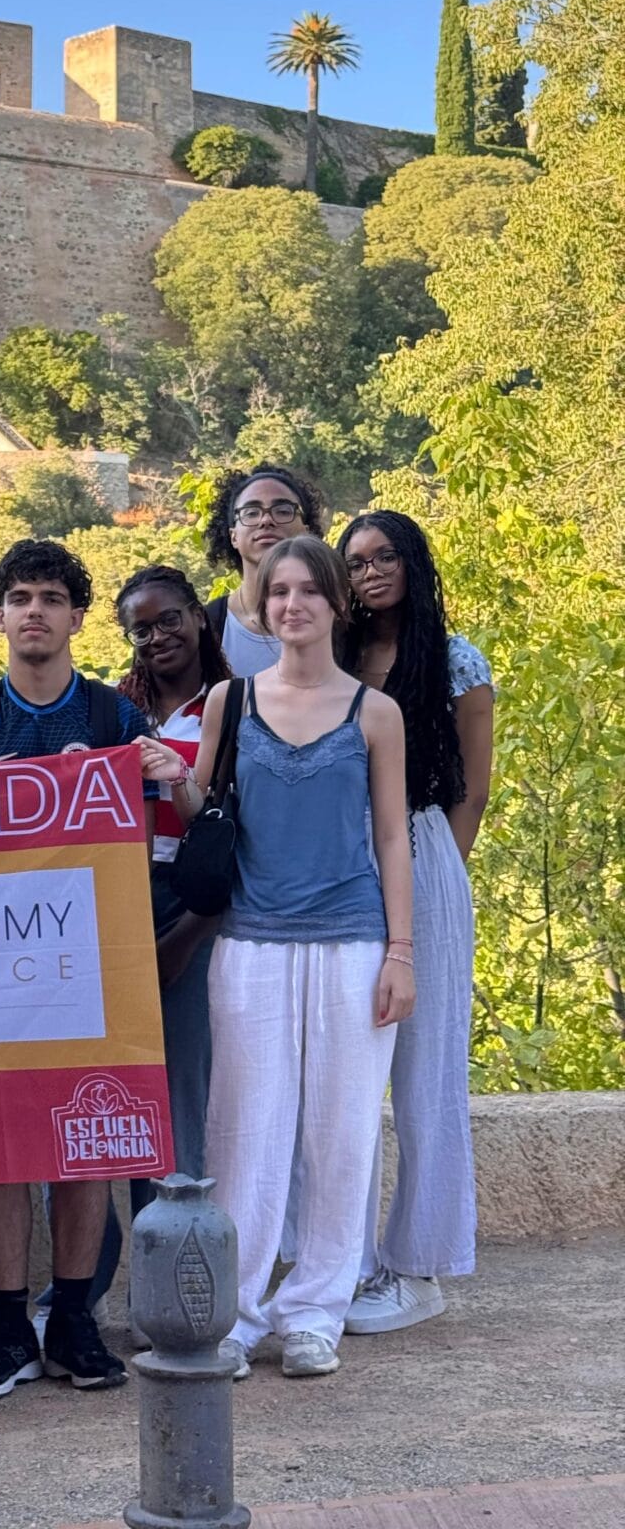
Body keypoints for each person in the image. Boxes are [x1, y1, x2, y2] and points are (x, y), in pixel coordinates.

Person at [141, 534, 416, 1380]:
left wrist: (401, 951)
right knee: (244, 1134)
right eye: (279, 591)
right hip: (253, 944)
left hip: (350, 941)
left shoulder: (376, 712)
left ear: (337, 603)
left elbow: (391, 836)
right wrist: (170, 774)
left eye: (309, 591)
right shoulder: (232, 700)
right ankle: (235, 1313)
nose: (293, 605)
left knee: (341, 1135)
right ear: (262, 604)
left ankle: (316, 1314)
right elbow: (206, 809)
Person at [0, 538, 159, 1402]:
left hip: (91, 964)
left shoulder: (112, 720)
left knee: (85, 1143)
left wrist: (164, 773)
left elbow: (147, 835)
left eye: (51, 597)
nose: (34, 610)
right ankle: (2, 1322)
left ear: (75, 616)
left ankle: (71, 1319)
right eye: (18, 596)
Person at [337, 511, 493, 1337]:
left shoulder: (456, 660)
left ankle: (420, 1267)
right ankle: (348, 1261)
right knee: (347, 1070)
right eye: (357, 562)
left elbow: (472, 788)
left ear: (413, 562)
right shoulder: (335, 657)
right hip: (340, 863)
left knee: (427, 1074)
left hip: (426, 851)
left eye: (385, 556)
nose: (371, 573)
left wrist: (438, 880)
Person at [115, 566, 232, 1225]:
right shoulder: (115, 710)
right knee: (122, 1090)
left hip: (195, 903)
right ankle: (117, 1274)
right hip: (122, 898)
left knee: (183, 1088)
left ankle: (185, 1260)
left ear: (198, 619)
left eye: (169, 620)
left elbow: (228, 832)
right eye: (141, 628)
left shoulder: (236, 705)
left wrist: (188, 932)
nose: (157, 637)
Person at [200, 465, 327, 679]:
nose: (266, 520)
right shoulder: (207, 627)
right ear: (233, 536)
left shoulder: (335, 619)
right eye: (251, 513)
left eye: (283, 511)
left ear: (306, 529)